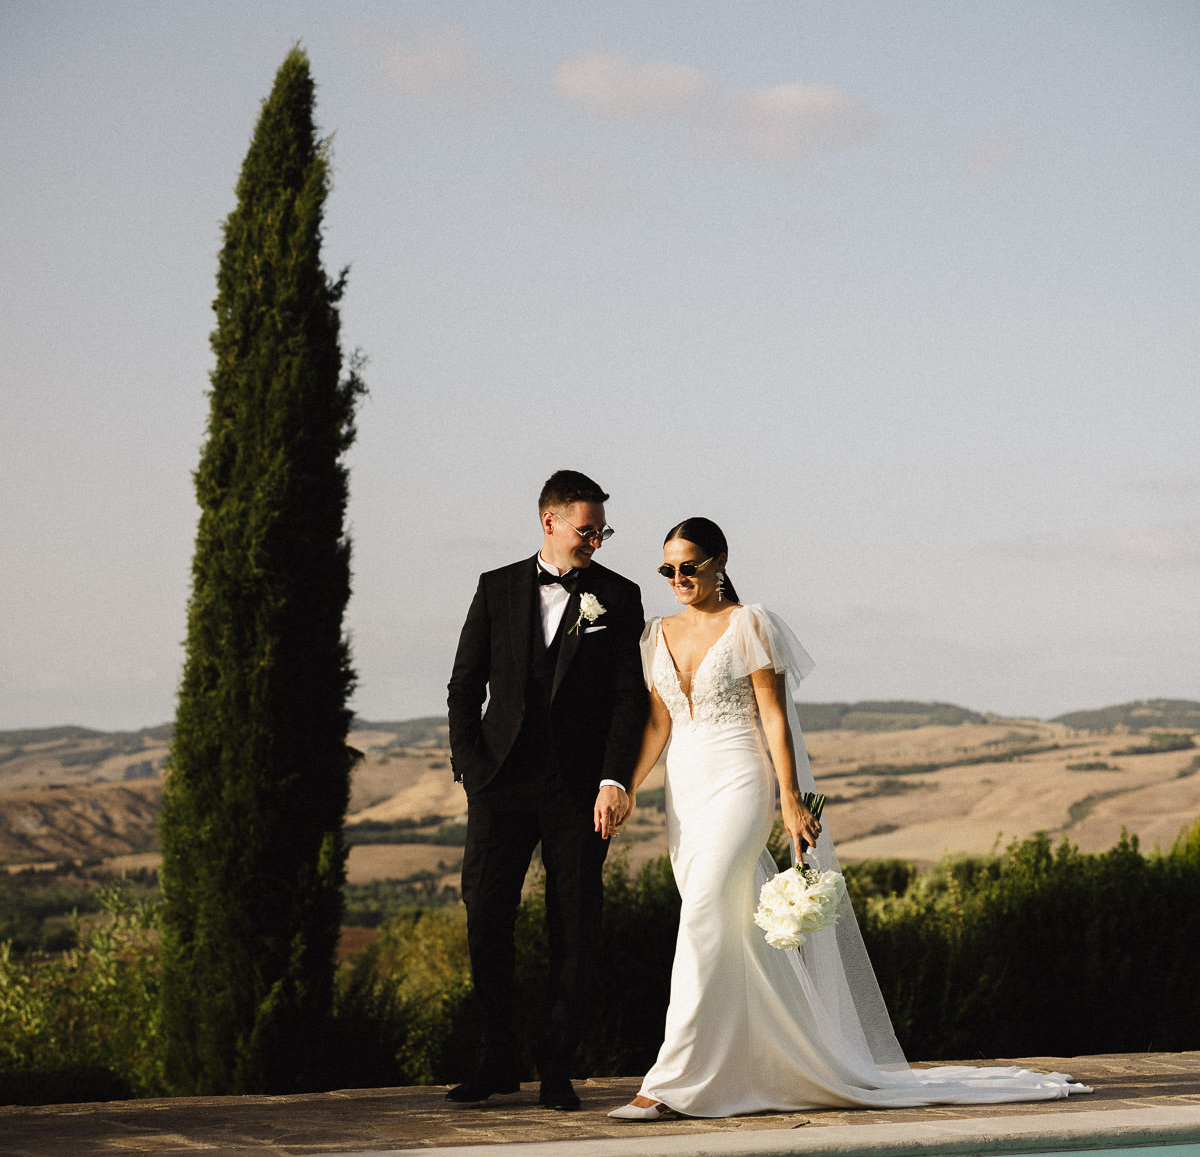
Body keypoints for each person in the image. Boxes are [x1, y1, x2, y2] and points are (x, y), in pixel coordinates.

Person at [609, 518, 1089, 1118]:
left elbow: (776, 718)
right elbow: (659, 723)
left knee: (705, 912)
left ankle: (669, 1079)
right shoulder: (656, 634)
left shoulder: (750, 624)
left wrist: (789, 797)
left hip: (740, 779)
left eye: (690, 566)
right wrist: (625, 786)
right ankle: (756, 1065)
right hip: (686, 790)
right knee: (727, 927)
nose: (679, 578)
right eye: (669, 569)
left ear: (721, 561)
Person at [447, 469, 647, 1111]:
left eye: (602, 531)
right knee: (486, 919)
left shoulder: (620, 595)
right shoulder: (495, 587)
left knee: (575, 927)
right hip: (500, 785)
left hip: (578, 791)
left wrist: (614, 778)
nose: (596, 541)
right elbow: (463, 685)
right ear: (550, 522)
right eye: (587, 529)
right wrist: (471, 767)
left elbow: (627, 698)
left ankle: (557, 1067)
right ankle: (495, 1059)